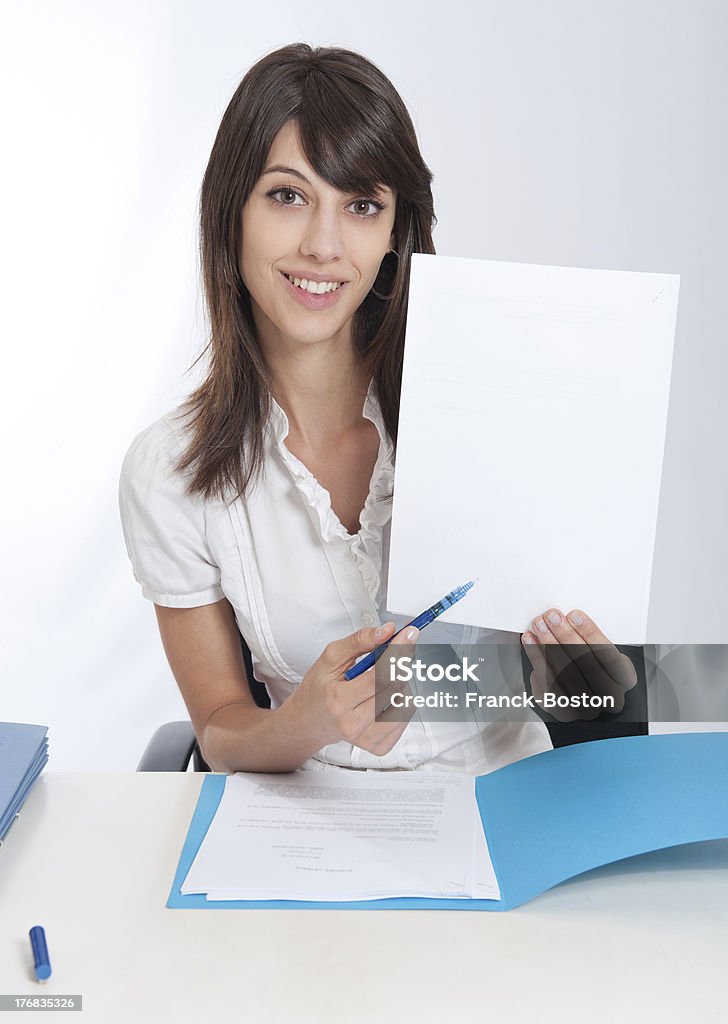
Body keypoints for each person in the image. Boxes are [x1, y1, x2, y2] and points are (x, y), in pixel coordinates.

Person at [119, 43, 637, 776]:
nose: (323, 245)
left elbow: (599, 697)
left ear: (396, 235)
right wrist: (302, 724)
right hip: (307, 830)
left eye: (361, 205)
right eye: (287, 195)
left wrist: (597, 694)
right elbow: (221, 729)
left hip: (508, 814)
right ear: (230, 211)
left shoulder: (501, 414)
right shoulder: (168, 471)